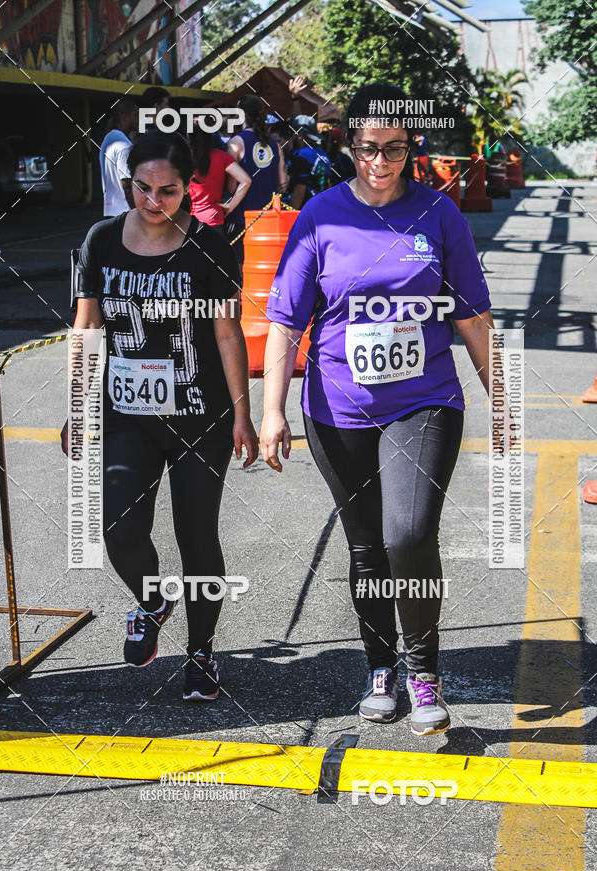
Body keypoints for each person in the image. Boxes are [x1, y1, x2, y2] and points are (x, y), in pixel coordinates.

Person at [260, 81, 493, 736]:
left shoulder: (440, 215)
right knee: (366, 547)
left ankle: (423, 669)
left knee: (407, 535)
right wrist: (272, 408)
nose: (381, 163)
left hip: (424, 400)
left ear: (411, 145)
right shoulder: (321, 216)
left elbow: (473, 314)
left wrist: (501, 396)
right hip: (335, 408)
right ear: (349, 145)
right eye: (367, 148)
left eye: (394, 148)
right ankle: (379, 667)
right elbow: (284, 319)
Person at [62, 130, 258, 700]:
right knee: (118, 528)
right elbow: (87, 327)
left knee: (197, 536)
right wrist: (79, 408)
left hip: (200, 414)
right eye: (142, 190)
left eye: (168, 191)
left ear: (187, 187)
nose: (153, 202)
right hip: (125, 412)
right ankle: (152, 601)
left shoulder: (211, 245)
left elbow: (226, 332)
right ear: (128, 186)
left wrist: (243, 415)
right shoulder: (100, 240)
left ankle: (201, 653)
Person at [225, 94, 288, 269]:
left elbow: (231, 188)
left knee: (240, 271)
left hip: (241, 219)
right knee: (265, 270)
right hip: (269, 219)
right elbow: (283, 184)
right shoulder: (275, 145)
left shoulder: (235, 143)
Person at [188, 123, 252, 234]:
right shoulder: (223, 156)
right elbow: (246, 180)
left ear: (189, 136)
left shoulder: (185, 158)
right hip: (214, 218)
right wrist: (231, 206)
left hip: (189, 220)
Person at [99, 98, 138, 217]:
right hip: (124, 212)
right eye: (135, 114)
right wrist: (138, 213)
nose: (138, 119)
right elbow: (126, 184)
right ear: (124, 116)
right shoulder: (124, 145)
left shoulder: (109, 137)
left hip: (110, 211)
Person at [287, 115, 332, 209]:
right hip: (321, 208)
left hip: (305, 211)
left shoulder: (303, 155)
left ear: (299, 135)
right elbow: (328, 185)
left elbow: (300, 190)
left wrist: (291, 216)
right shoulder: (323, 154)